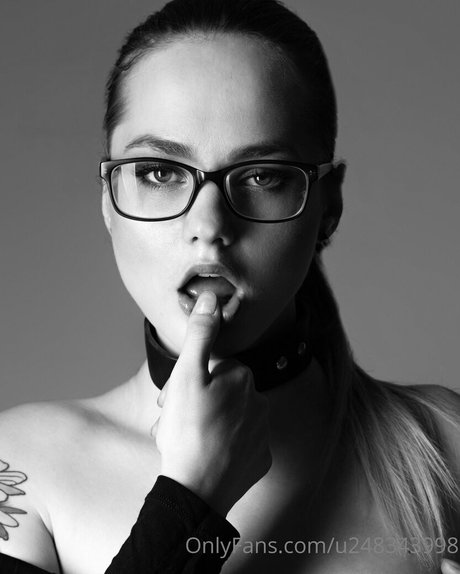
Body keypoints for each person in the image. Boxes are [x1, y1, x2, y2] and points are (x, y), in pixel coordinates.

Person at [0, 0, 459, 572]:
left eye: (262, 175)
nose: (209, 226)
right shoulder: (22, 466)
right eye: (160, 173)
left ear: (327, 206)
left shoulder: (445, 448)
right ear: (107, 202)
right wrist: (191, 498)